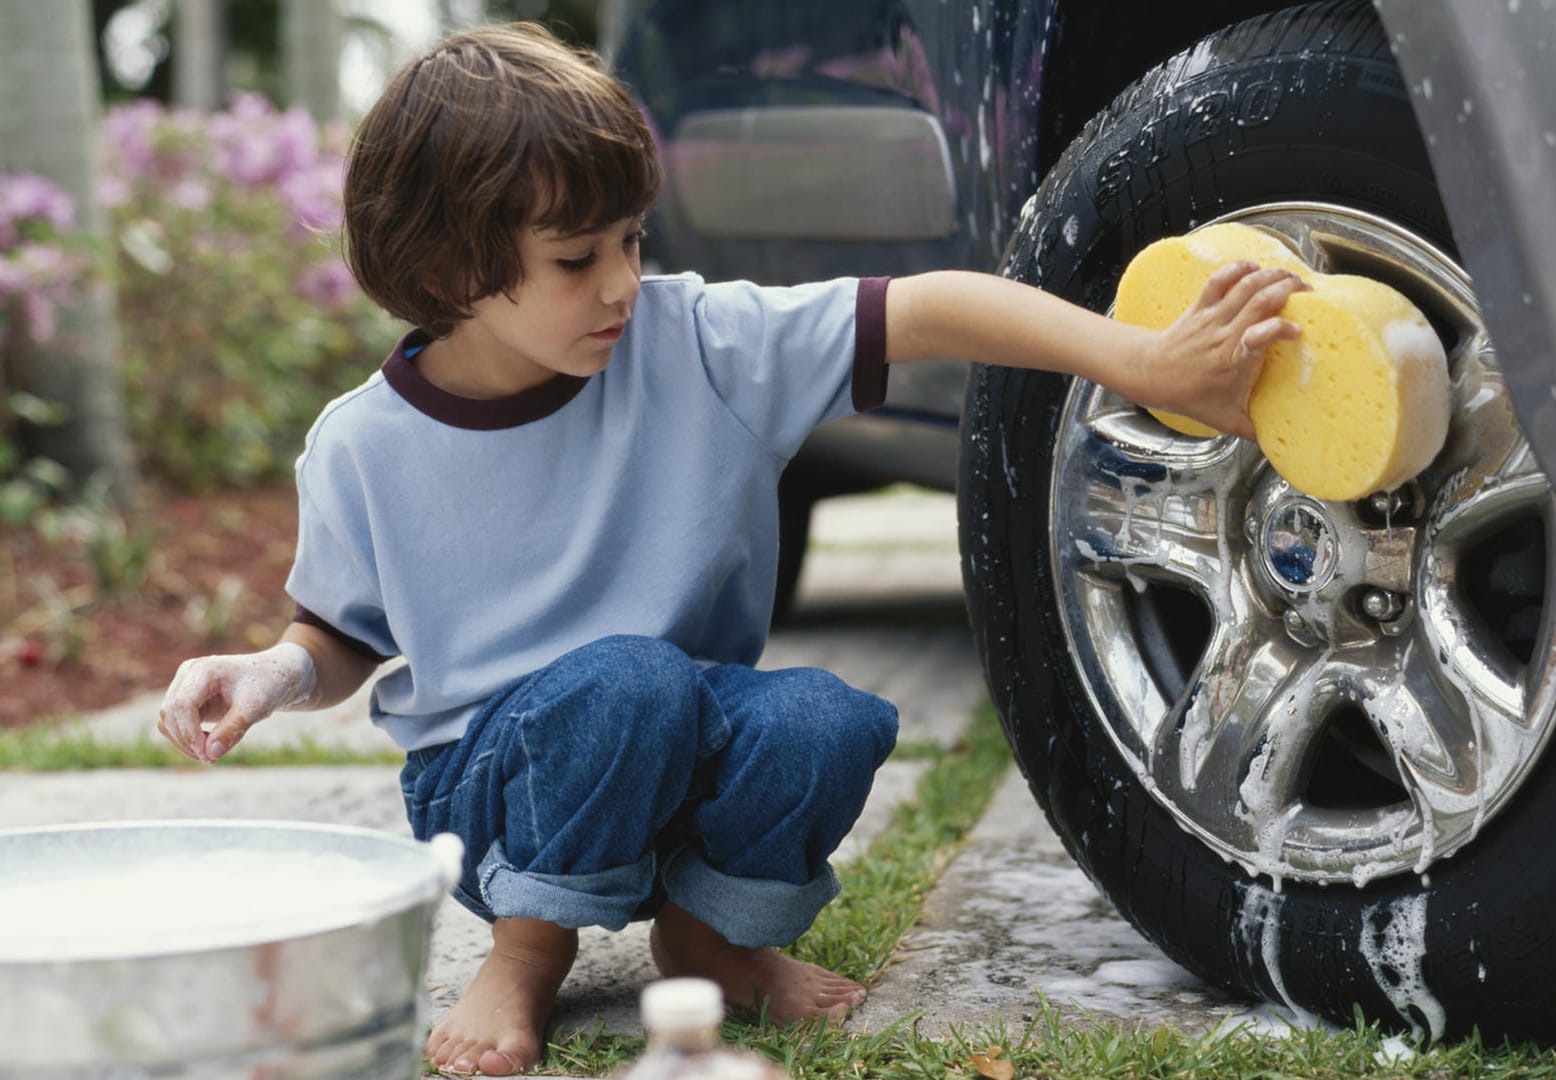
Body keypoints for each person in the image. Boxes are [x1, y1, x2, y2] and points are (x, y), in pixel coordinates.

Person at [155, 21, 1305, 1078]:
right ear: (454, 270)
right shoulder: (364, 446)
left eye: (631, 240)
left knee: (823, 718)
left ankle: (708, 941)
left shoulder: (694, 342)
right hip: (493, 780)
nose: (621, 283)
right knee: (628, 681)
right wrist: (270, 672)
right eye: (575, 260)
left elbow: (930, 308)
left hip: (679, 725)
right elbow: (343, 636)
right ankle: (527, 952)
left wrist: (1140, 360)